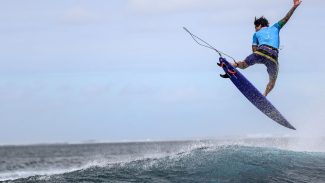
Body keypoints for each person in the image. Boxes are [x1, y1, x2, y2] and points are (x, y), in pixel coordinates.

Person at [233, 0, 302, 97]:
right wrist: (294, 6)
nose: (255, 29)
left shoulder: (256, 34)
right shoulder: (276, 27)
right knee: (272, 81)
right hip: (273, 57)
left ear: (260, 25)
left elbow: (254, 51)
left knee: (244, 65)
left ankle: (233, 65)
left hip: (261, 52)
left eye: (255, 26)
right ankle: (264, 96)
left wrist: (256, 59)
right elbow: (286, 18)